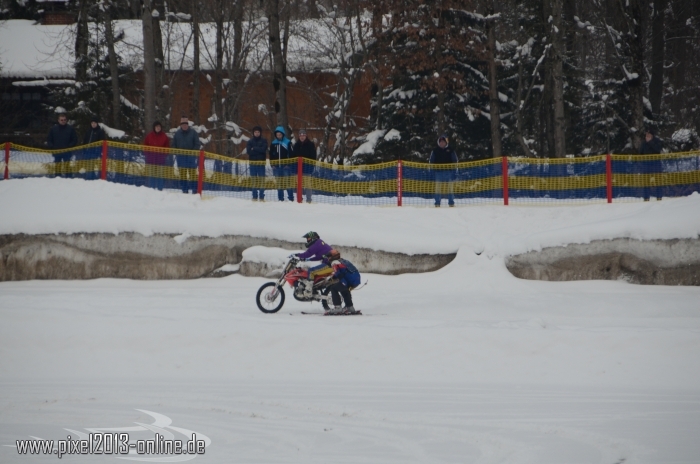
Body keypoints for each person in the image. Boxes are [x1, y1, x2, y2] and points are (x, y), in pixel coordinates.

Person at [292, 231, 334, 297]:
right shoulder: (319, 242)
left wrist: (296, 255)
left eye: (308, 238)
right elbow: (319, 257)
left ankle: (308, 291)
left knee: (311, 271)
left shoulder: (316, 244)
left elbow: (307, 254)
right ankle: (312, 288)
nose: (307, 240)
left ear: (313, 238)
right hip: (330, 263)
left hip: (330, 265)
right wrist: (308, 259)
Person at [323, 249, 361, 315]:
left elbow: (338, 273)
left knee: (333, 288)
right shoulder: (344, 261)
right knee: (344, 289)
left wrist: (331, 279)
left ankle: (338, 308)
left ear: (333, 257)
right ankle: (350, 307)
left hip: (349, 281)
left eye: (329, 256)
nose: (328, 258)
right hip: (356, 280)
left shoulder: (334, 262)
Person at [171, 116, 201, 194]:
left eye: (186, 124)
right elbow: (173, 145)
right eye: (183, 124)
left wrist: (192, 153)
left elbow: (197, 144)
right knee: (183, 175)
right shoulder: (177, 134)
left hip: (191, 158)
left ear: (188, 125)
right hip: (180, 158)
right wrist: (177, 152)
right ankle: (184, 191)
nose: (184, 126)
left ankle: (194, 191)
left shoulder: (193, 133)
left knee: (193, 175)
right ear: (181, 125)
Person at [429, 134, 458, 207]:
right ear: (438, 142)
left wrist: (455, 171)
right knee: (437, 188)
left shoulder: (451, 150)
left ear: (446, 143)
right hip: (438, 172)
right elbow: (431, 161)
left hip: (449, 172)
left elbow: (455, 161)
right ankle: (437, 203)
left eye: (443, 142)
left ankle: (451, 202)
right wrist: (431, 171)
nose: (442, 143)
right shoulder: (435, 151)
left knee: (450, 188)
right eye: (440, 142)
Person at [46, 113, 78, 178]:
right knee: (57, 166)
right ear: (58, 120)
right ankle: (58, 179)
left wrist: (70, 146)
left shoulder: (70, 129)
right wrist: (52, 147)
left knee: (67, 166)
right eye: (61, 120)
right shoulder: (53, 129)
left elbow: (75, 139)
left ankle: (69, 179)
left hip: (67, 151)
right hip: (57, 151)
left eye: (64, 120)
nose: (63, 121)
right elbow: (49, 139)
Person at [144, 121, 171, 191]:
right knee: (151, 175)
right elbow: (145, 146)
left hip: (160, 159)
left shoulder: (164, 136)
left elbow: (167, 147)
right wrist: (148, 154)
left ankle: (160, 189)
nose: (158, 128)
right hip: (151, 159)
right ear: (154, 128)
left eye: (159, 127)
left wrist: (164, 154)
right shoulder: (149, 136)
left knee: (160, 175)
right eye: (156, 127)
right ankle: (151, 189)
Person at [270, 125, 294, 201]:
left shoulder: (287, 142)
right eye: (277, 134)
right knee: (279, 184)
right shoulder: (273, 143)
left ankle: (291, 198)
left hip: (285, 167)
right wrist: (272, 165)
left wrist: (288, 164)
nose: (278, 136)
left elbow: (291, 154)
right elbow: (271, 155)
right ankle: (280, 199)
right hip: (276, 167)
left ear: (283, 134)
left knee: (288, 183)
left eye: (280, 134)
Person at [292, 129, 317, 203]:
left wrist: (311, 166)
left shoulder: (310, 144)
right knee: (299, 184)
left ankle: (309, 199)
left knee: (307, 184)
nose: (302, 137)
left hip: (307, 167)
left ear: (306, 136)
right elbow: (293, 156)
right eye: (300, 135)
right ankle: (300, 198)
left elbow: (313, 157)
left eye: (303, 135)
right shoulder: (296, 145)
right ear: (299, 136)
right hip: (298, 168)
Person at [640, 128, 663, 201]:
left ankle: (659, 196)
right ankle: (646, 197)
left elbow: (658, 149)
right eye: (646, 134)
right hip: (646, 164)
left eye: (649, 134)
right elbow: (640, 152)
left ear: (652, 135)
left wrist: (650, 142)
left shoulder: (657, 141)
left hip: (656, 163)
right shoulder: (644, 143)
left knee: (658, 180)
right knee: (646, 181)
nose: (647, 136)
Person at [246, 125, 268, 201]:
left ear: (260, 133)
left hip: (261, 164)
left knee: (262, 180)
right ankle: (254, 196)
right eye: (255, 132)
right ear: (253, 133)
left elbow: (263, 150)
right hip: (252, 164)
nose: (257, 133)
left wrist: (254, 148)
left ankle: (261, 196)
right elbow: (249, 151)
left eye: (258, 132)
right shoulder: (250, 141)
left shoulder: (264, 140)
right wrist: (258, 150)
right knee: (254, 181)